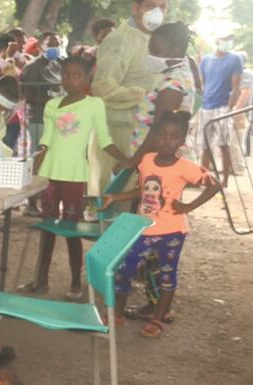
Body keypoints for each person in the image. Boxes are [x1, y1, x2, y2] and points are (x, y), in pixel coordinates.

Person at [104, 111, 221, 337]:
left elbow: (214, 185)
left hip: (172, 232)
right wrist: (115, 197)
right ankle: (117, 315)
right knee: (124, 269)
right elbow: (143, 190)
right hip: (143, 229)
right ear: (155, 136)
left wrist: (188, 206)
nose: (168, 141)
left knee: (167, 275)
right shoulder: (146, 160)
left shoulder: (184, 167)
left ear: (182, 141)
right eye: (163, 135)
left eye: (174, 137)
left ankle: (157, 321)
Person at [26, 54, 128, 298]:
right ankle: (40, 281)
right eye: (66, 75)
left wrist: (127, 160)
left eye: (76, 75)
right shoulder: (52, 105)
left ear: (87, 78)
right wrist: (33, 169)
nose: (70, 80)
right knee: (47, 228)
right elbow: (46, 141)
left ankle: (75, 283)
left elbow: (104, 140)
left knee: (72, 229)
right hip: (49, 174)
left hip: (74, 175)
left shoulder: (94, 105)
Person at [91, 0, 166, 196]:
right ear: (136, 7)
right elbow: (103, 87)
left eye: (162, 6)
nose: (157, 12)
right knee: (115, 194)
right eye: (151, 6)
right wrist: (142, 95)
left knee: (147, 194)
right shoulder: (120, 39)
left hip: (151, 132)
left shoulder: (159, 39)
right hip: (120, 134)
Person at [128, 23, 196, 163]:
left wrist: (134, 162)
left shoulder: (172, 86)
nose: (151, 56)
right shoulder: (179, 68)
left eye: (156, 51)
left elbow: (159, 132)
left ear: (176, 51)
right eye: (150, 51)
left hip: (159, 160)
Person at [199, 34, 245, 187]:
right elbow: (202, 84)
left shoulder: (234, 59)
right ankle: (203, 179)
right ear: (217, 41)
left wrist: (229, 109)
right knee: (205, 146)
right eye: (225, 39)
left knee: (224, 145)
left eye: (230, 39)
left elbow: (236, 87)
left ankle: (224, 181)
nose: (228, 42)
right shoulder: (206, 60)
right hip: (206, 106)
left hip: (223, 107)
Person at [21, 32, 64, 153]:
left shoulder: (57, 64)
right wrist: (50, 102)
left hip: (56, 118)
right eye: (50, 45)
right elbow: (26, 95)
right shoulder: (32, 67)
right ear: (40, 46)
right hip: (38, 119)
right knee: (39, 153)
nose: (54, 48)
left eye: (57, 45)